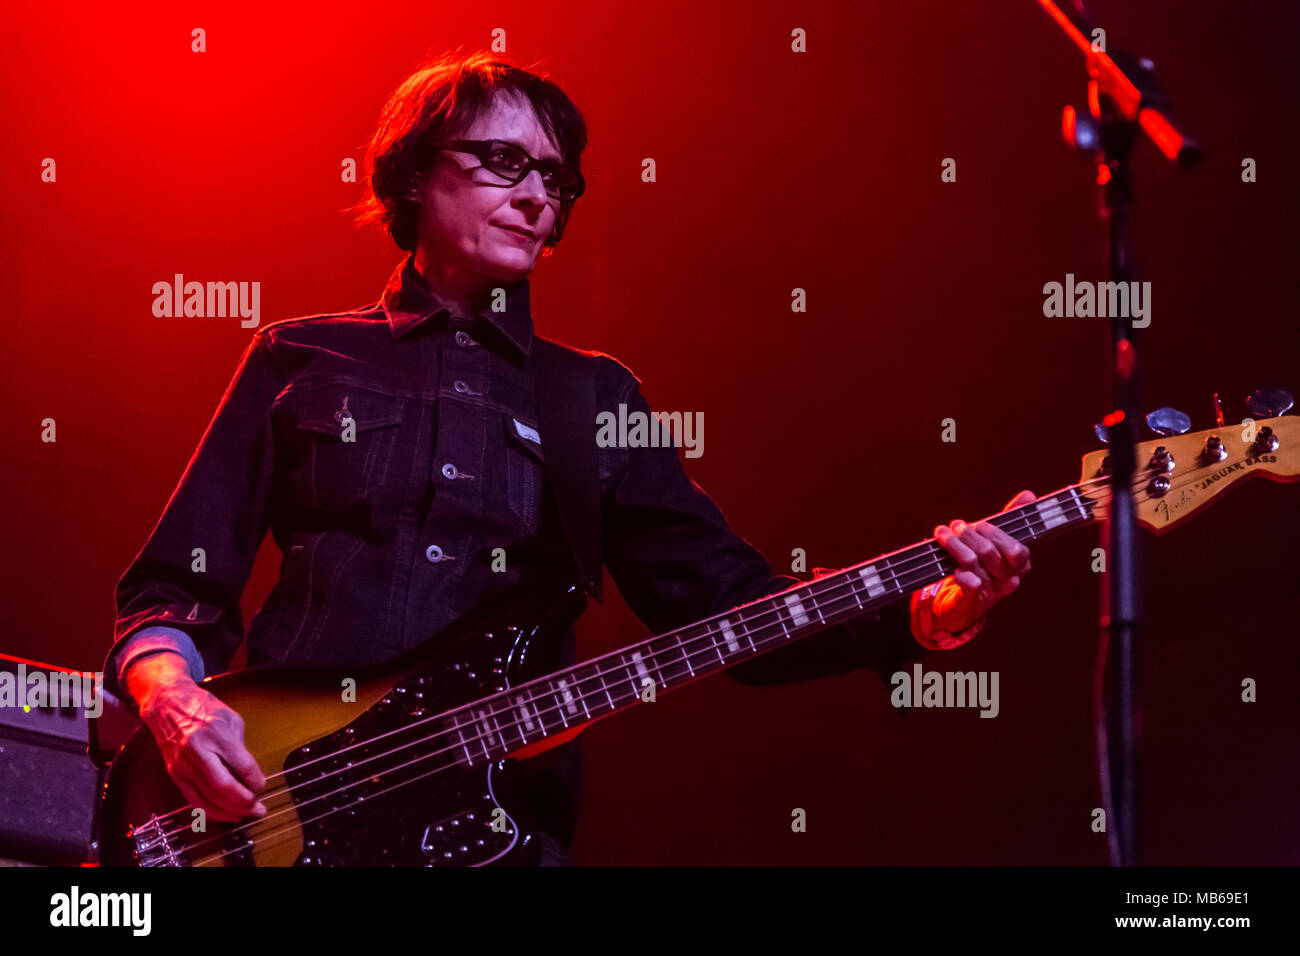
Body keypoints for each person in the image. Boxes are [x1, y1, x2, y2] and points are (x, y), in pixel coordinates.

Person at [103, 51, 1033, 867]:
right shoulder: (298, 356)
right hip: (270, 811)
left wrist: (925, 612)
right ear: (415, 176)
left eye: (558, 179)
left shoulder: (595, 399)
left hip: (492, 830)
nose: (539, 194)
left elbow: (730, 609)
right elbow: (172, 586)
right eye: (504, 161)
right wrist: (172, 697)